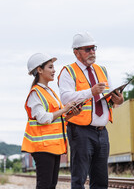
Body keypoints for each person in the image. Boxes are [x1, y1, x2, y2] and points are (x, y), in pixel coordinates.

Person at [58, 32, 124, 189]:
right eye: (87, 49)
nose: (92, 52)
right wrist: (90, 92)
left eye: (93, 48)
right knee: (79, 178)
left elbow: (110, 96)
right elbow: (66, 98)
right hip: (80, 131)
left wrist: (119, 100)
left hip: (102, 131)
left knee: (101, 180)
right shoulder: (68, 71)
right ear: (76, 52)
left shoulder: (102, 70)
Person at [21, 53, 81, 189]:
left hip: (53, 146)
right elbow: (43, 118)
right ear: (39, 70)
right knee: (45, 185)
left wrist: (70, 114)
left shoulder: (50, 92)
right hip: (43, 147)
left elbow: (57, 120)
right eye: (50, 67)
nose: (54, 70)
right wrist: (64, 109)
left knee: (51, 185)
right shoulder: (36, 93)